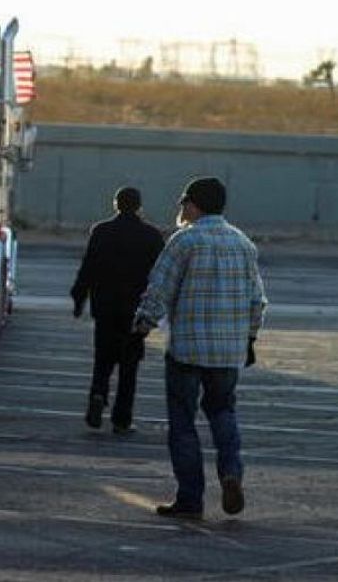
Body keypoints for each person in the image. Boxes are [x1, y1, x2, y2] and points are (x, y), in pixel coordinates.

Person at [133, 176, 266, 520]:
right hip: (228, 352)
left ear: (194, 205)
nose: (182, 209)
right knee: (223, 412)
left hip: (187, 351)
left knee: (182, 424)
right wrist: (249, 339)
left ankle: (190, 499)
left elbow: (159, 288)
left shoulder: (184, 240)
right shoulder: (243, 243)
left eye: (184, 203)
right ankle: (231, 472)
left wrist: (142, 325)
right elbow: (257, 300)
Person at [70, 186, 165, 434]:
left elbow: (88, 267)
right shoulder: (152, 236)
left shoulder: (101, 232)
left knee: (103, 359)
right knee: (129, 366)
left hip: (105, 307)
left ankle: (98, 394)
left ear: (116, 204)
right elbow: (160, 276)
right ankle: (122, 419)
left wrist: (79, 298)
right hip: (136, 310)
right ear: (139, 206)